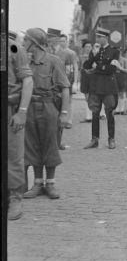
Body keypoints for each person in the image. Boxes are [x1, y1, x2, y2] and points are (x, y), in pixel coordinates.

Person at [22, 28, 71, 200]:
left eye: (26, 40)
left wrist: (64, 113)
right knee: (33, 144)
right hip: (30, 107)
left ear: (34, 43)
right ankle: (37, 184)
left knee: (50, 144)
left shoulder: (53, 61)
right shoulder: (26, 62)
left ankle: (50, 184)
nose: (23, 42)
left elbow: (65, 88)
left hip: (49, 106)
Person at [7, 30, 33, 220]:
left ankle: (15, 198)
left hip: (9, 109)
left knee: (13, 154)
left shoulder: (14, 47)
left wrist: (22, 112)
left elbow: (28, 81)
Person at [83, 27, 120, 150]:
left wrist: (97, 67)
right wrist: (93, 56)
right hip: (95, 87)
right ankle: (94, 139)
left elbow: (111, 70)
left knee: (109, 113)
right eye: (97, 37)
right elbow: (86, 66)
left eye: (99, 37)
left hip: (108, 87)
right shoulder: (95, 52)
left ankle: (111, 139)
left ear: (105, 38)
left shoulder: (114, 51)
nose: (97, 39)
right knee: (95, 114)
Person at [55, 34, 79, 129]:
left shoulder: (71, 53)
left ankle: (69, 120)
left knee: (69, 100)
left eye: (63, 41)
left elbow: (75, 67)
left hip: (68, 78)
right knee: (58, 98)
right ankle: (59, 118)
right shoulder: (56, 52)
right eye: (60, 41)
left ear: (67, 41)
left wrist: (76, 82)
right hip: (57, 78)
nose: (62, 43)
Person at [115, 48, 127, 115]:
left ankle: (122, 110)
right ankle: (117, 110)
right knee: (115, 94)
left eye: (118, 52)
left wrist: (120, 68)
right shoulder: (113, 60)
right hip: (114, 78)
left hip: (122, 78)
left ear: (121, 52)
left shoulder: (124, 60)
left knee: (121, 94)